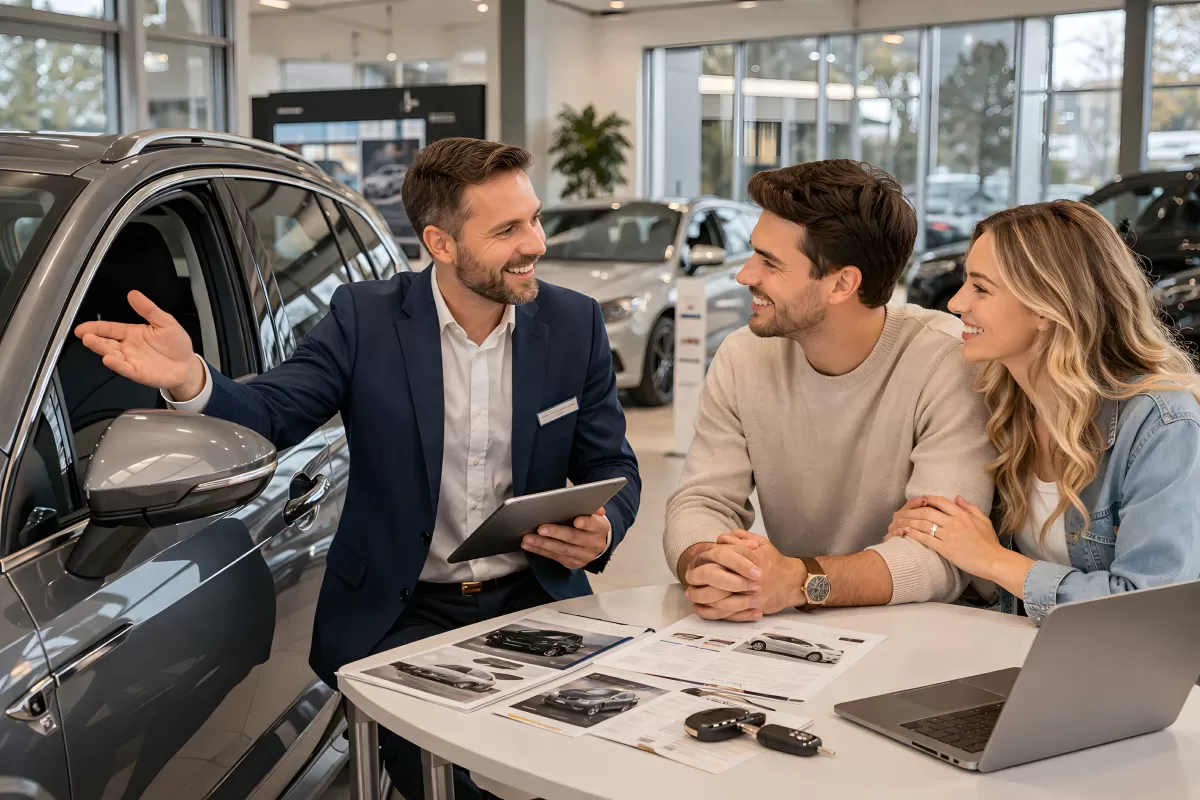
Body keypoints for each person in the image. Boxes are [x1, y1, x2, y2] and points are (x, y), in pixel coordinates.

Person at [74, 137, 641, 800]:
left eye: (535, 219)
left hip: (532, 596)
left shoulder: (574, 324)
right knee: (436, 776)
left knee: (596, 761)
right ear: (441, 243)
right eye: (508, 230)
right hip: (405, 608)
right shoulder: (363, 318)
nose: (535, 243)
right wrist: (192, 378)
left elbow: (612, 463)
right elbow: (274, 412)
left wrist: (604, 527)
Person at [664, 160, 996, 621]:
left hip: (921, 630)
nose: (745, 275)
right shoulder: (742, 356)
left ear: (842, 284)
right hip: (792, 624)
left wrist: (799, 581)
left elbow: (941, 556)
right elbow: (702, 500)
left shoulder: (949, 361)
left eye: (770, 262)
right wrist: (713, 566)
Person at [887, 200, 1200, 624]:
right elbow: (999, 581)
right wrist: (935, 532)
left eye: (981, 288)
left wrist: (992, 560)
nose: (957, 303)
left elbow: (1148, 611)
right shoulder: (1004, 402)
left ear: (1047, 307)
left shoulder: (1160, 423)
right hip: (1030, 649)